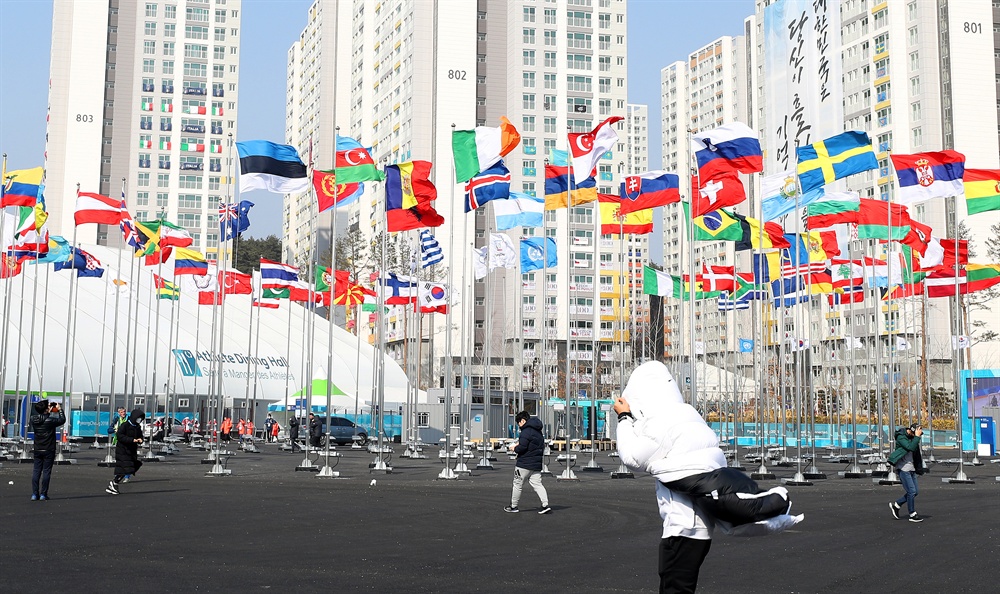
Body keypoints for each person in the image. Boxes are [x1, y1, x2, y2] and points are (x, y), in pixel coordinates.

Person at [614, 361, 802, 593]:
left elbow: (632, 458)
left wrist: (624, 418)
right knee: (682, 585)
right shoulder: (691, 417)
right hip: (702, 526)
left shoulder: (659, 423)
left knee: (674, 586)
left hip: (682, 526)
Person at [504, 410, 551, 514]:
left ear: (523, 421)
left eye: (518, 423)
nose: (518, 425)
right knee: (538, 484)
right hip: (536, 463)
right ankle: (545, 504)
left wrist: (514, 449)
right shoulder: (538, 432)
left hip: (524, 463)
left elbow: (522, 447)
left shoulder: (526, 431)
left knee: (517, 484)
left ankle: (513, 506)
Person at [888, 423, 924, 523]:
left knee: (915, 492)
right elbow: (910, 447)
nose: (918, 436)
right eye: (916, 433)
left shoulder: (913, 438)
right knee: (911, 491)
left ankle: (897, 505)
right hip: (903, 469)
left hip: (911, 468)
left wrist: (919, 468)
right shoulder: (901, 437)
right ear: (911, 432)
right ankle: (912, 514)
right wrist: (916, 437)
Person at [30, 400, 66, 501]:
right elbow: (62, 420)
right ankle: (43, 494)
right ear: (46, 409)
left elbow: (42, 418)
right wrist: (59, 410)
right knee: (46, 471)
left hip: (38, 448)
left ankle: (34, 493)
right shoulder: (50, 421)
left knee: (36, 471)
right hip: (49, 448)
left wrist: (48, 410)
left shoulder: (33, 419)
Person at [107, 409, 145, 495]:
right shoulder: (125, 425)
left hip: (131, 450)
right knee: (125, 468)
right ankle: (113, 483)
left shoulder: (137, 427)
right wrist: (132, 440)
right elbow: (120, 436)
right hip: (122, 450)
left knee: (132, 466)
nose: (139, 420)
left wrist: (140, 440)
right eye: (138, 418)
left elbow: (140, 436)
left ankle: (114, 483)